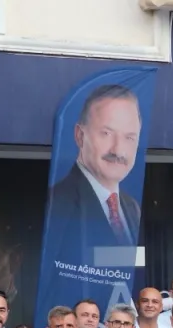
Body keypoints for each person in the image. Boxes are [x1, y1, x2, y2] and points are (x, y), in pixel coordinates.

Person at [47, 84, 143, 249]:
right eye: (106, 133)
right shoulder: (55, 205)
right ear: (80, 136)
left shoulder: (132, 208)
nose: (118, 150)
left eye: (129, 138)